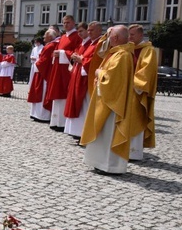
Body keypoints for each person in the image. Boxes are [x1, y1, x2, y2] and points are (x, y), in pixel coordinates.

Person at [81, 25, 145, 174]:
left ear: (115, 38)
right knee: (104, 134)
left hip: (113, 103)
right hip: (109, 100)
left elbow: (112, 79)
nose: (108, 39)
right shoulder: (117, 53)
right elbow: (101, 51)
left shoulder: (122, 55)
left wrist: (99, 72)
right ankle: (100, 162)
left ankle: (110, 166)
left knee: (109, 134)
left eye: (110, 36)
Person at [64, 22, 101, 139]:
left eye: (92, 30)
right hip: (79, 75)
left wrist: (81, 59)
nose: (89, 32)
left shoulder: (99, 44)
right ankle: (76, 132)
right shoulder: (89, 43)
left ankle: (83, 133)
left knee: (84, 105)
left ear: (99, 30)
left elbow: (95, 61)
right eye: (89, 30)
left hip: (86, 79)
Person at [46, 15, 82, 130]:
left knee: (63, 95)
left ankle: (62, 123)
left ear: (73, 23)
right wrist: (56, 53)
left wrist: (61, 53)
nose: (65, 25)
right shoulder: (62, 37)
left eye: (68, 22)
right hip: (58, 69)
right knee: (57, 94)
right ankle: (55, 121)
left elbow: (76, 52)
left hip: (66, 71)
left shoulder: (77, 36)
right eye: (64, 23)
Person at [129, 24, 158, 160]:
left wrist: (134, 83)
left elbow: (146, 71)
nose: (129, 37)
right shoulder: (129, 48)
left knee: (136, 119)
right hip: (127, 91)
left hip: (137, 91)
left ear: (141, 35)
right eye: (128, 34)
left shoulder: (148, 51)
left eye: (132, 35)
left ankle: (134, 152)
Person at [28, 29, 58, 122]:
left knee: (42, 93)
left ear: (50, 36)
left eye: (45, 35)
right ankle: (36, 113)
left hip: (44, 73)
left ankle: (42, 115)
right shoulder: (49, 45)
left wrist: (37, 63)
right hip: (40, 71)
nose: (44, 37)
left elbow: (43, 61)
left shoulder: (50, 46)